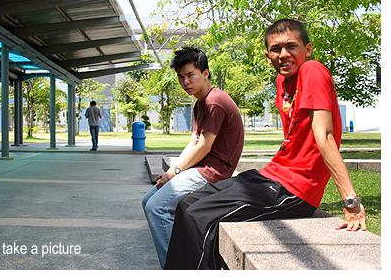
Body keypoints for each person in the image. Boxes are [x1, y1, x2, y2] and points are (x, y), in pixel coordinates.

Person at [164, 19, 367, 270]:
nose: (283, 54)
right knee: (186, 204)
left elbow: (324, 137)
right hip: (271, 175)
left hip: (295, 190)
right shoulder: (283, 82)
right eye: (276, 49)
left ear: (308, 49)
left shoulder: (312, 71)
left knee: (199, 216)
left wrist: (351, 202)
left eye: (291, 46)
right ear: (267, 55)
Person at [141, 47, 244, 268]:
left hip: (213, 173)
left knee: (156, 208)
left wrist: (175, 172)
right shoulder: (201, 103)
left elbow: (204, 146)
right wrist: (172, 171)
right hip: (201, 168)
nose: (185, 82)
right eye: (181, 77)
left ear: (205, 73)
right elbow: (193, 142)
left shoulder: (214, 102)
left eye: (190, 75)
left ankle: (176, 268)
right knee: (147, 201)